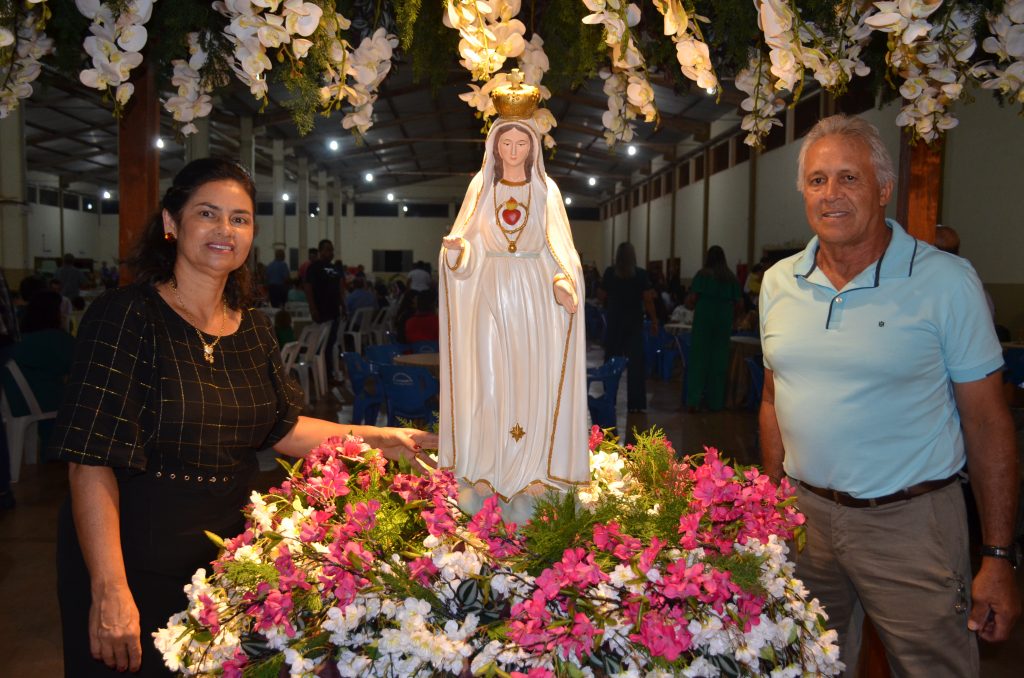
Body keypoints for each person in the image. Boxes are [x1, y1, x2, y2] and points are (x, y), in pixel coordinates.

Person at [51, 158, 437, 677]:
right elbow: (89, 460)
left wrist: (379, 437)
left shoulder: (251, 327)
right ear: (171, 223)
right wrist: (109, 587)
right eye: (207, 213)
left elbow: (284, 427)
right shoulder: (125, 315)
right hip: (131, 562)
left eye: (239, 218)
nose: (224, 230)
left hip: (223, 562)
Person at [759, 115, 1020, 675]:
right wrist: (773, 503)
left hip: (911, 526)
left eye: (849, 178)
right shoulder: (779, 282)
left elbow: (987, 423)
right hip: (805, 523)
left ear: (883, 189)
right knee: (803, 664)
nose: (831, 194)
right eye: (817, 180)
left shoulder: (946, 282)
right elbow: (773, 398)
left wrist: (998, 555)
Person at [439, 79, 588, 523]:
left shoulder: (547, 192)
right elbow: (466, 247)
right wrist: (457, 254)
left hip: (533, 299)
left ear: (533, 147)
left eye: (522, 142)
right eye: (507, 142)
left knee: (530, 381)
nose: (514, 149)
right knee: (489, 380)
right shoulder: (480, 189)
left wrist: (563, 281)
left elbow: (560, 251)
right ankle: (488, 469)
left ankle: (532, 473)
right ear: (494, 145)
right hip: (489, 294)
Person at [3, 289, 75, 453]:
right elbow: (78, 365)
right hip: (42, 401)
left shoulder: (21, 338)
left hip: (17, 400)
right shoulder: (57, 340)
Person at [600, 242, 658, 413]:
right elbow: (648, 299)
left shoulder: (610, 273)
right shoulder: (640, 274)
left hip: (615, 323)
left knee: (611, 361)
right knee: (636, 365)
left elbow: (601, 294)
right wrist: (654, 320)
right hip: (634, 324)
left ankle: (609, 398)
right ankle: (636, 404)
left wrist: (611, 300)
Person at [685, 245, 742, 412]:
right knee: (719, 361)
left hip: (703, 319)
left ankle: (694, 401)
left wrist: (692, 303)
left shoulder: (702, 275)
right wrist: (733, 317)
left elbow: (692, 299)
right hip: (723, 320)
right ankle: (715, 402)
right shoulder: (731, 278)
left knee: (699, 360)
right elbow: (739, 303)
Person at [304, 239, 345, 377]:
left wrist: (343, 305)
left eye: (331, 250)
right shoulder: (314, 267)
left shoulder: (336, 269)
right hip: (321, 311)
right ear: (320, 251)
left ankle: (328, 372)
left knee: (331, 343)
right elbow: (308, 288)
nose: (330, 252)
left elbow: (340, 289)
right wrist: (313, 308)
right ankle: (319, 373)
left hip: (334, 312)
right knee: (321, 344)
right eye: (327, 249)